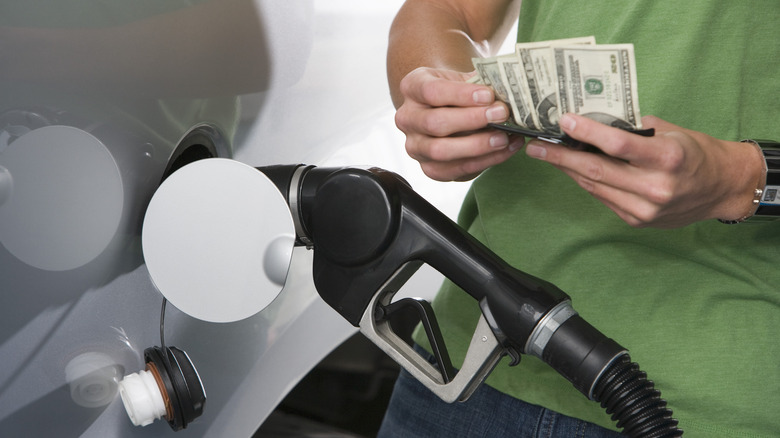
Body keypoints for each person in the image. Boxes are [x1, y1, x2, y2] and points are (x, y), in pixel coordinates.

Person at [378, 1, 780, 437]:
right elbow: (447, 9)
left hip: (704, 401)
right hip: (469, 355)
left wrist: (739, 179)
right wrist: (442, 97)